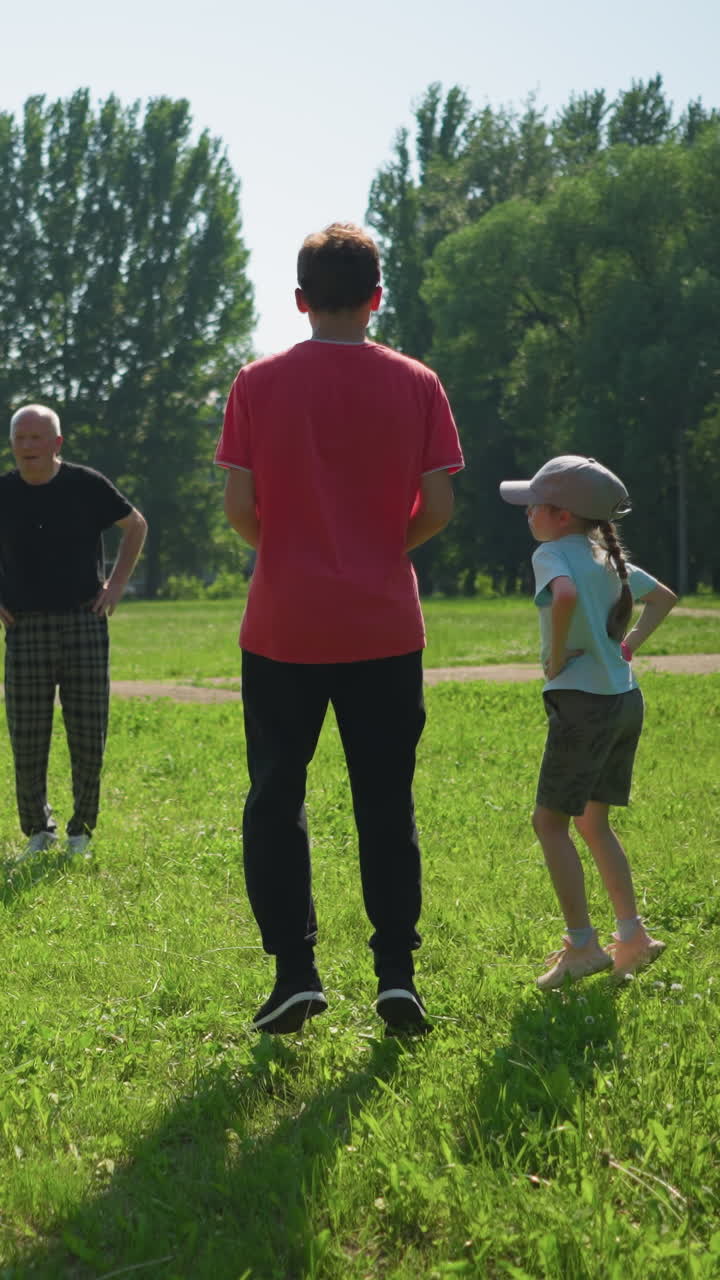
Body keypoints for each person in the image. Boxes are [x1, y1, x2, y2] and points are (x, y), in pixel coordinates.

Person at [215, 222, 463, 1034]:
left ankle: (295, 972)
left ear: (299, 300)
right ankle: (397, 977)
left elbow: (241, 513)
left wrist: (292, 551)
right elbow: (441, 507)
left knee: (276, 796)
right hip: (385, 624)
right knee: (386, 803)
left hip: (284, 623)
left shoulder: (255, 382)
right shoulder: (418, 382)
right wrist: (379, 548)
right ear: (376, 297)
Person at [499, 454, 676, 989]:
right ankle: (633, 936)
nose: (526, 513)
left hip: (582, 705)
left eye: (532, 504)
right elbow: (664, 599)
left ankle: (582, 945)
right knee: (593, 822)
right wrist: (629, 645)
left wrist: (553, 656)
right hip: (624, 700)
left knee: (549, 823)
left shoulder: (551, 553)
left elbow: (566, 597)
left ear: (559, 515)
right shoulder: (607, 555)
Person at [0, 405, 147, 861]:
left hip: (84, 620)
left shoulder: (86, 485)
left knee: (87, 731)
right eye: (20, 438)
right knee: (26, 736)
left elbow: (135, 525)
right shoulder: (4, 491)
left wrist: (117, 584)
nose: (27, 446)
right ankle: (38, 832)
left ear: (56, 443)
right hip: (23, 626)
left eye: (36, 438)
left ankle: (81, 833)